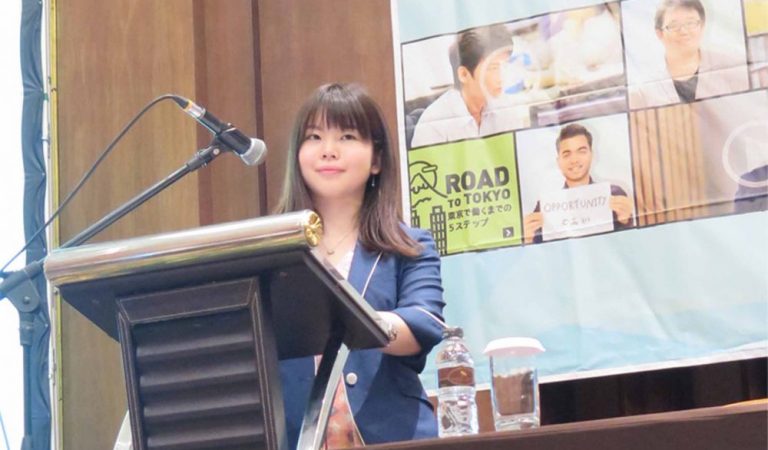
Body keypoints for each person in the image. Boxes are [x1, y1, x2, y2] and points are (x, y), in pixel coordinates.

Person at [275, 83, 446, 448]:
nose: (328, 150)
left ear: (377, 159)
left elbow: (423, 323)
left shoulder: (409, 246)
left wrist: (344, 321)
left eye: (347, 136)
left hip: (392, 437)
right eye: (314, 137)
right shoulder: (273, 253)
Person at [410, 25, 525, 148]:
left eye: (505, 66)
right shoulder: (433, 125)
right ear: (464, 74)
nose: (502, 77)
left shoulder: (506, 108)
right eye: (493, 68)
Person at [523, 123, 634, 244]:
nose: (574, 160)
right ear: (559, 162)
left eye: (581, 151)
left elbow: (628, 245)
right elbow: (540, 251)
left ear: (592, 155)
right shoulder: (545, 207)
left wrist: (626, 221)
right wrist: (528, 239)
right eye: (567, 154)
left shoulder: (614, 195)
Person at [629, 0, 749, 109]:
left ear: (702, 26)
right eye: (674, 26)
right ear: (659, 34)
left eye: (690, 23)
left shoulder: (733, 68)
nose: (684, 31)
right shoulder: (643, 88)